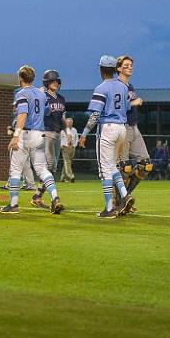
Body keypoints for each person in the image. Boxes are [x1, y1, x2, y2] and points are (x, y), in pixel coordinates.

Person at [1, 65, 63, 214]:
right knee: (42, 169)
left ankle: (13, 204)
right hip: (40, 134)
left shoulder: (21, 93)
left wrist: (16, 135)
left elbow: (22, 114)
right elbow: (48, 111)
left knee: (16, 170)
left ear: (20, 78)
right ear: (33, 78)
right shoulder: (41, 94)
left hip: (25, 134)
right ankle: (55, 197)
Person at [78, 55, 132, 218]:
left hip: (107, 128)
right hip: (122, 128)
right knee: (112, 167)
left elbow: (96, 114)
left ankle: (109, 208)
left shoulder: (101, 88)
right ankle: (125, 195)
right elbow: (127, 107)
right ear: (115, 69)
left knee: (104, 170)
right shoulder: (123, 87)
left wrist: (85, 133)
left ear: (101, 69)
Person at [115, 55, 151, 201]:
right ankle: (119, 199)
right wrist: (133, 103)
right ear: (118, 68)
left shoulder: (130, 86)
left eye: (131, 65)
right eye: (126, 65)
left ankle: (125, 196)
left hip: (134, 127)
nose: (130, 67)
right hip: (122, 127)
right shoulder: (116, 85)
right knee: (124, 167)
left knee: (145, 165)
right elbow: (114, 108)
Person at [32, 70, 67, 207]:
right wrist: (39, 93)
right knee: (50, 165)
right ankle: (51, 198)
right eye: (52, 81)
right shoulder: (42, 95)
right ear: (46, 83)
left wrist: (68, 131)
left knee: (53, 168)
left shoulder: (61, 99)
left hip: (58, 133)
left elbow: (62, 117)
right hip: (46, 132)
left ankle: (37, 195)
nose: (55, 83)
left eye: (57, 81)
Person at [60, 118, 78, 182]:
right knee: (67, 162)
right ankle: (71, 176)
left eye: (71, 122)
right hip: (65, 148)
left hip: (72, 148)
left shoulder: (74, 130)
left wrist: (74, 146)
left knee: (68, 163)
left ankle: (63, 177)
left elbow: (76, 138)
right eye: (68, 122)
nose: (70, 123)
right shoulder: (63, 130)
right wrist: (61, 145)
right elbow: (59, 139)